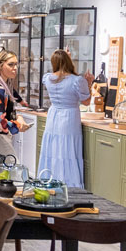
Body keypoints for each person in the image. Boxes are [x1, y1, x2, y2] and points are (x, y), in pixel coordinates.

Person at [38, 50, 94, 187]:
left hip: (53, 115)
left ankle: (50, 180)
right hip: (69, 116)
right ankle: (68, 182)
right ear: (69, 61)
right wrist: (89, 83)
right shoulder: (77, 80)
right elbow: (86, 101)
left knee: (54, 147)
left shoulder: (48, 78)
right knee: (67, 148)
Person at [0, 50, 30, 156]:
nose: (15, 68)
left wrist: (18, 117)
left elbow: (2, 113)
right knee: (10, 170)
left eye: (16, 64)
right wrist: (17, 125)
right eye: (10, 64)